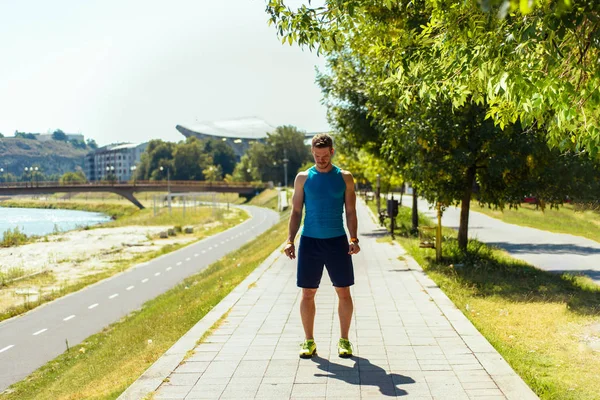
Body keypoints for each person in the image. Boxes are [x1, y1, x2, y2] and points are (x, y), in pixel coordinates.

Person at [284, 133, 360, 359]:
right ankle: (309, 341)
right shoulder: (303, 178)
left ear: (332, 152)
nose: (321, 160)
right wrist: (290, 239)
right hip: (310, 242)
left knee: (343, 291)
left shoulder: (345, 178)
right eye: (317, 156)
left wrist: (353, 238)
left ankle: (344, 341)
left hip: (337, 241)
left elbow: (351, 211)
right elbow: (296, 211)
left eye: (325, 156)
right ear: (312, 153)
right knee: (307, 292)